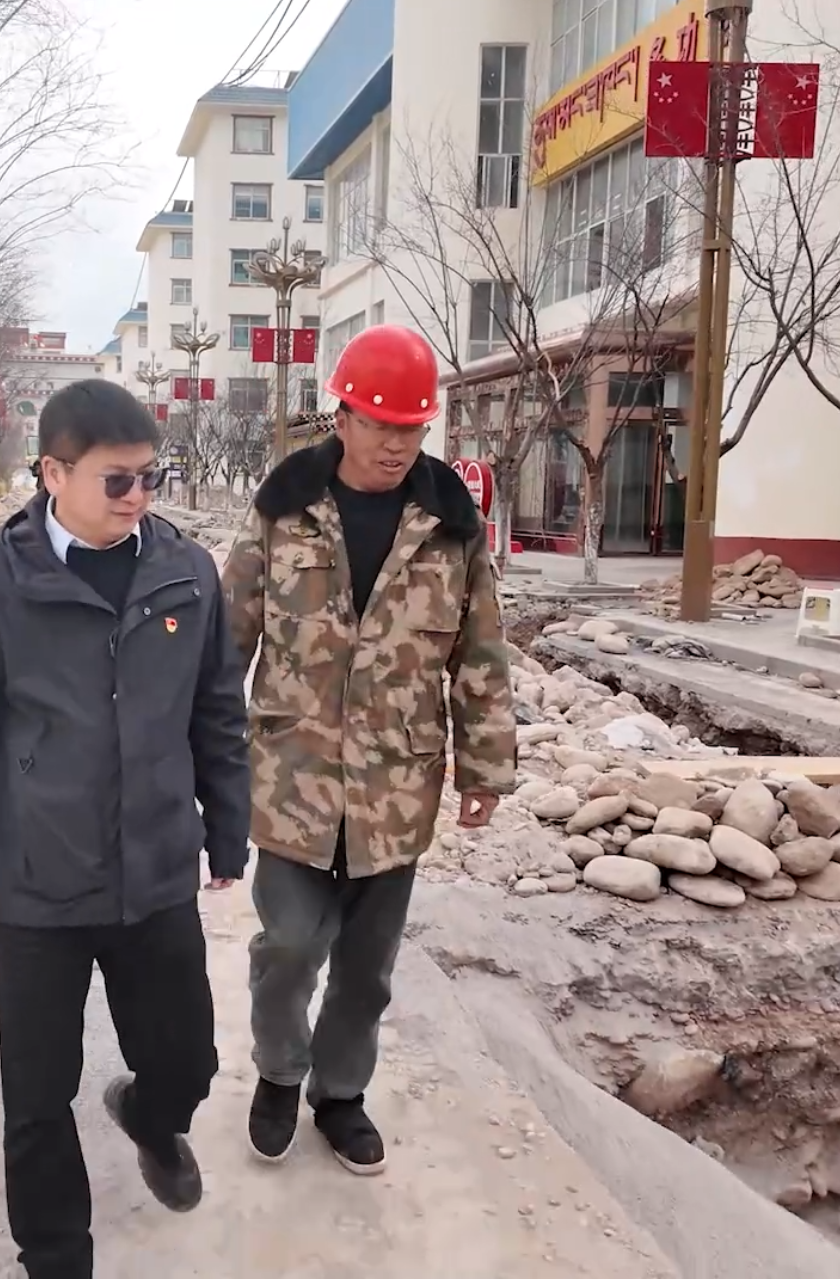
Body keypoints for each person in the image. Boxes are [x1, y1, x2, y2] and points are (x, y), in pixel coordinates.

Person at [0, 378, 251, 1279]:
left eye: (151, 477)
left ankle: (150, 1115)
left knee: (188, 1062)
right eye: (118, 480)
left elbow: (218, 711)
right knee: (37, 1098)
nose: (139, 497)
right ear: (53, 474)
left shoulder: (185, 572)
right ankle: (55, 1257)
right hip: (39, 886)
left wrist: (228, 827)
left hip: (156, 872)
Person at [221, 323, 516, 1174]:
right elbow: (225, 641)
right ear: (342, 417)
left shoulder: (451, 526)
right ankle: (279, 1073)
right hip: (294, 777)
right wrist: (197, 760)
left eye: (413, 428)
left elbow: (480, 653)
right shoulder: (282, 511)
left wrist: (485, 767)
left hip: (397, 784)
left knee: (366, 968)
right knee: (288, 948)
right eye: (382, 425)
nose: (397, 444)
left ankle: (340, 1095)